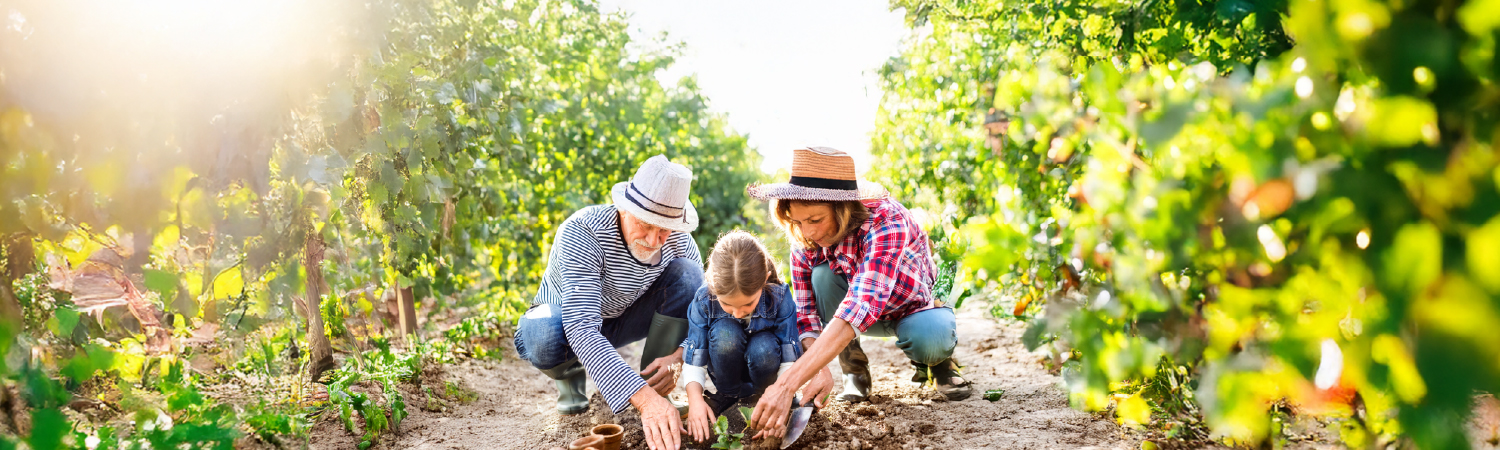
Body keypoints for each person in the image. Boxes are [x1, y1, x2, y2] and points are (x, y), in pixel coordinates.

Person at [744, 146, 973, 440]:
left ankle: (940, 365)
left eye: (815, 220)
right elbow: (806, 313)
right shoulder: (805, 238)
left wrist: (786, 385)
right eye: (798, 221)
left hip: (912, 310)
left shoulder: (886, 220)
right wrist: (817, 368)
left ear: (843, 208)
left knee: (930, 341)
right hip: (856, 320)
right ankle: (854, 369)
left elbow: (860, 305)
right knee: (822, 276)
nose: (807, 232)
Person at [512, 155, 700, 450]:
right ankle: (571, 376)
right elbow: (582, 327)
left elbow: (705, 315)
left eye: (664, 229)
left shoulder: (680, 244)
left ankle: (656, 383)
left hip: (619, 319)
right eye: (644, 224)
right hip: (565, 322)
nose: (653, 240)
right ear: (625, 209)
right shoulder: (584, 231)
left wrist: (678, 356)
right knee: (543, 335)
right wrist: (643, 401)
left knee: (690, 277)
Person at [679, 231, 802, 444]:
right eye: (727, 305)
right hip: (727, 376)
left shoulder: (780, 298)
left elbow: (789, 356)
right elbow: (695, 359)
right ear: (712, 285)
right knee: (725, 332)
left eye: (747, 304)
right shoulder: (703, 300)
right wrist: (695, 399)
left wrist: (782, 395)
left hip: (768, 376)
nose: (737, 313)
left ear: (763, 281)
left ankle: (763, 398)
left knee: (763, 347)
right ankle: (728, 396)